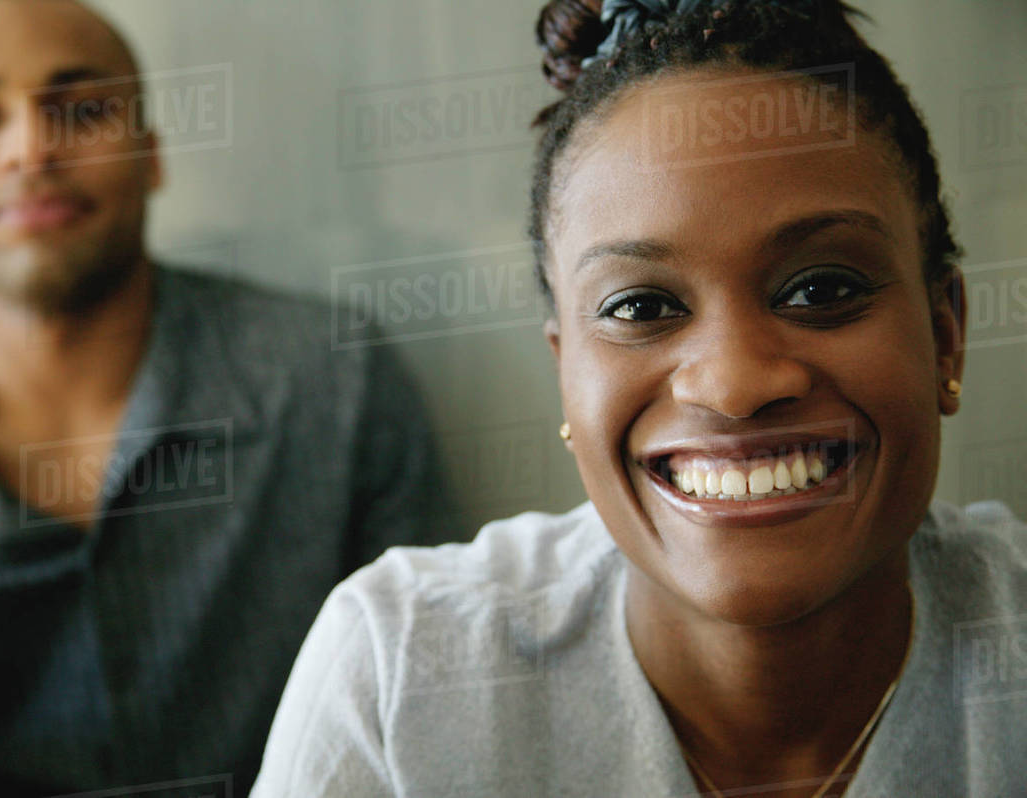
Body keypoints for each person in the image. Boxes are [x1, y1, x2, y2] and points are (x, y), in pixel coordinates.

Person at [250, 2, 1026, 796]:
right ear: (565, 371)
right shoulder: (401, 672)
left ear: (946, 335)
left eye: (822, 288)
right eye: (642, 308)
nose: (733, 385)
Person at [0, 0, 452, 793]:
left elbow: (431, 696)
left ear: (150, 153)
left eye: (82, 108)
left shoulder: (333, 383)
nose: (31, 148)